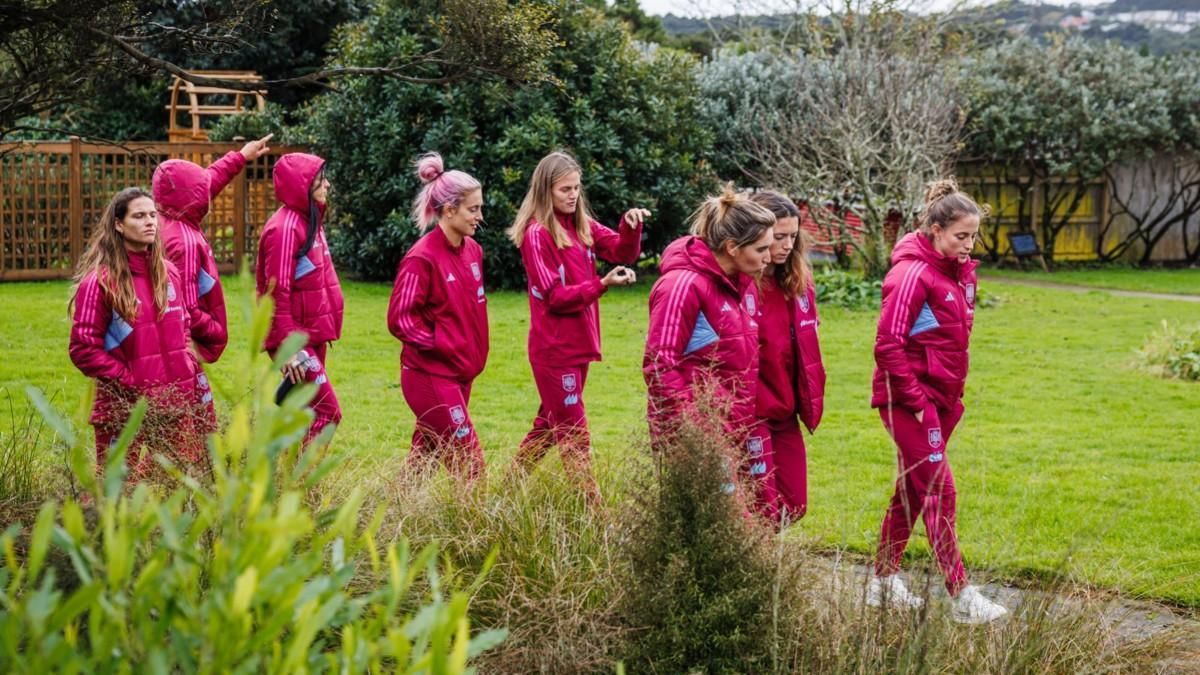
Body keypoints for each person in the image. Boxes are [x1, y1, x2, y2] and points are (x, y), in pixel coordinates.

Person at [865, 178, 1008, 624]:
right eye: (960, 236)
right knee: (939, 490)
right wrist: (917, 401)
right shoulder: (911, 275)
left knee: (912, 488)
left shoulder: (961, 272)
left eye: (973, 236)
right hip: (910, 400)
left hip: (944, 400)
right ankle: (961, 593)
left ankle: (882, 582)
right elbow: (887, 344)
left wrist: (946, 398)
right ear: (934, 229)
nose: (968, 245)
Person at [506, 151, 648, 500]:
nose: (572, 195)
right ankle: (594, 515)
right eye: (564, 189)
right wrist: (602, 285)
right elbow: (554, 297)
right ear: (545, 191)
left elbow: (621, 252)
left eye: (576, 188)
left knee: (548, 426)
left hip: (580, 345)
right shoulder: (537, 235)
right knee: (573, 434)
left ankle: (507, 490)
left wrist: (630, 227)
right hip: (555, 351)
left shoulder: (578, 224)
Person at [69, 187, 211, 477]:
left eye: (152, 215)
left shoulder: (169, 273)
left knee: (174, 487)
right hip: (123, 409)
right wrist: (128, 379)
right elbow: (83, 349)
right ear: (119, 225)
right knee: (115, 492)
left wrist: (185, 365)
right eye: (139, 216)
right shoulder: (100, 283)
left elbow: (183, 327)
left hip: (171, 406)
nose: (149, 222)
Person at [643, 186, 774, 461]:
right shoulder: (682, 285)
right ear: (732, 248)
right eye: (761, 249)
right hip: (693, 440)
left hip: (732, 433)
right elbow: (659, 365)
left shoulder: (743, 283)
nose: (768, 257)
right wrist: (696, 430)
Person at [155, 133, 273, 432]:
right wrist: (216, 331)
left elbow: (208, 181)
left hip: (175, 346)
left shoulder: (170, 218)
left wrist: (241, 157)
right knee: (193, 426)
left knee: (185, 425)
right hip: (186, 346)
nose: (207, 192)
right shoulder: (182, 242)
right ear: (188, 196)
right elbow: (185, 306)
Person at [387, 153, 488, 481]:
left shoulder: (473, 251)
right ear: (449, 210)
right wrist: (441, 343)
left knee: (423, 459)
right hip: (429, 375)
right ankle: (474, 531)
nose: (480, 217)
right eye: (473, 209)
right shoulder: (421, 259)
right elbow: (400, 319)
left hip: (460, 374)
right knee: (470, 465)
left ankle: (395, 517)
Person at [746, 191, 826, 525]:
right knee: (762, 507)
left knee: (794, 506)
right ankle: (750, 571)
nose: (786, 246)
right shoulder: (741, 285)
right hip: (751, 412)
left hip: (785, 408)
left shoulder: (799, 283)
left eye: (793, 237)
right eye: (779, 237)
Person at [255, 153, 344, 445]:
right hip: (297, 342)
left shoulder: (309, 221)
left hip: (313, 336)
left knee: (306, 415)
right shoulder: (284, 230)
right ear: (302, 186)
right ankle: (301, 486)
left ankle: (286, 485)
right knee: (328, 414)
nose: (328, 185)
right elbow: (274, 293)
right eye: (320, 181)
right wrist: (286, 349)